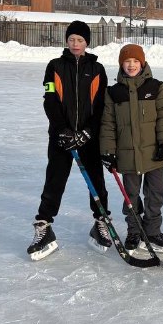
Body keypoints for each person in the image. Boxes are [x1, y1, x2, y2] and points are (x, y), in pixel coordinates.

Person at [28, 20, 109, 260]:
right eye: (72, 39)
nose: (75, 43)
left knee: (96, 181)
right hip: (60, 137)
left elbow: (101, 105)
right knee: (54, 180)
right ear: (66, 40)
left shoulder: (97, 69)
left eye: (80, 40)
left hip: (88, 138)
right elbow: (50, 99)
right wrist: (62, 130)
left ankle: (101, 221)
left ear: (87, 43)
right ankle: (44, 225)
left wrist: (88, 131)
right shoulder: (54, 66)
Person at [99, 44, 163, 254]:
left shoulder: (157, 88)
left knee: (156, 194)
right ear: (121, 64)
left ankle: (152, 232)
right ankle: (134, 231)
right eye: (127, 61)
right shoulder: (113, 92)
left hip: (154, 154)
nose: (131, 65)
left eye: (135, 61)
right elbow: (108, 124)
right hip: (127, 155)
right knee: (130, 195)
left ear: (142, 63)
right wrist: (108, 151)